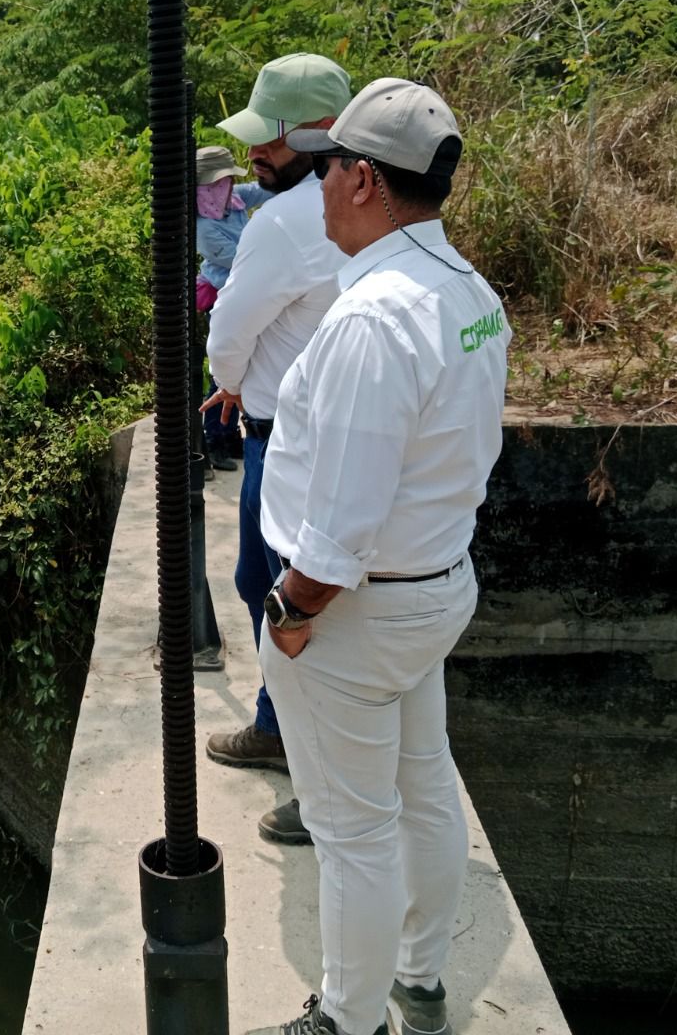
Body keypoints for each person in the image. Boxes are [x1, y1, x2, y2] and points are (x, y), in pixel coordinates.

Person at [249, 79, 510, 1035]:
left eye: (323, 172)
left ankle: (346, 1022)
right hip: (434, 587)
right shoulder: (469, 294)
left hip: (357, 611)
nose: (315, 191)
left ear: (361, 178)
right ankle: (422, 980)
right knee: (425, 783)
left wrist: (291, 608)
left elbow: (343, 523)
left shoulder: (372, 319)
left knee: (352, 831)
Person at [199, 53, 352, 845]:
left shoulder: (285, 224)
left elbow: (229, 332)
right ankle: (273, 723)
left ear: (315, 134)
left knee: (282, 597)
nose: (255, 155)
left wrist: (232, 380)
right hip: (342, 437)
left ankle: (310, 771)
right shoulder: (374, 209)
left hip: (283, 440)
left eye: (267, 142)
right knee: (289, 592)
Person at [194, 145, 272, 470]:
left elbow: (260, 191)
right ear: (209, 187)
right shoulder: (205, 228)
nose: (229, 186)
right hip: (225, 298)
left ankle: (231, 438)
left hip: (246, 294)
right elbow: (243, 259)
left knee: (242, 369)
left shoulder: (232, 200)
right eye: (223, 181)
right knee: (222, 374)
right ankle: (215, 442)